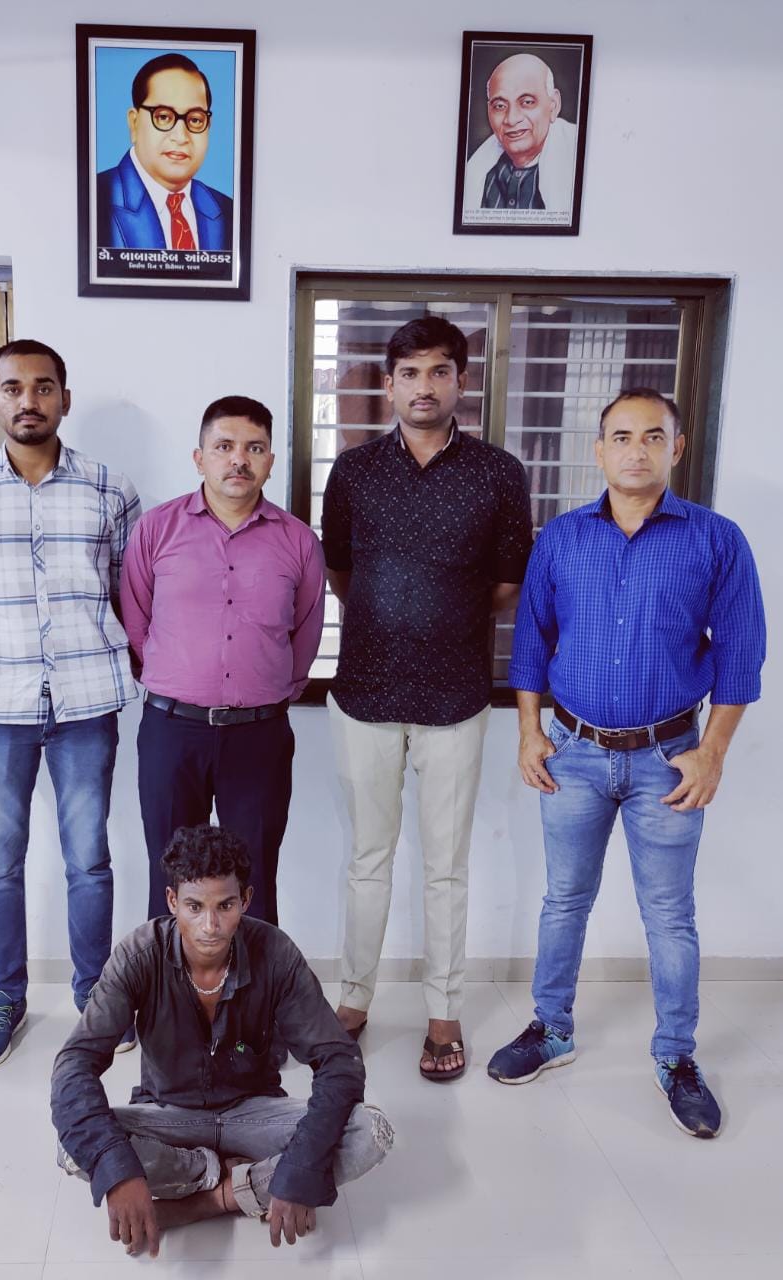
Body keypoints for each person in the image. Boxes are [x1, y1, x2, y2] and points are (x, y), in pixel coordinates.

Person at [488, 388, 766, 1139]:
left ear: (676, 448)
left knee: (669, 915)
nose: (635, 450)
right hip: (572, 753)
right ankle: (551, 1029)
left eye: (652, 436)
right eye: (620, 436)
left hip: (670, 760)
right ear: (598, 449)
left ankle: (676, 1056)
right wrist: (528, 731)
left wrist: (711, 753)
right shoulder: (562, 538)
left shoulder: (716, 540)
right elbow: (530, 642)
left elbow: (741, 654)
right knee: (563, 901)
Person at [322, 315, 533, 1080]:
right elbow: (339, 571)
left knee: (445, 867)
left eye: (438, 371)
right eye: (408, 373)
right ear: (388, 384)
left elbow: (507, 582)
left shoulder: (498, 473)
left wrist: (442, 619)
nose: (423, 386)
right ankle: (353, 1001)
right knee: (367, 860)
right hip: (363, 691)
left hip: (455, 695)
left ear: (459, 382)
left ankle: (444, 1014)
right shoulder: (352, 471)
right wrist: (394, 616)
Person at [0, 340, 140, 1066]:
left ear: (64, 399)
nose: (30, 400)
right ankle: (6, 994)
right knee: (0, 864)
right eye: (14, 388)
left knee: (89, 860)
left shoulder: (111, 489)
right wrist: (14, 653)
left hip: (87, 701)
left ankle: (94, 995)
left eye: (44, 387)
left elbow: (125, 590)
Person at [51, 824, 393, 1257]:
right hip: (170, 1116)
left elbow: (339, 1062)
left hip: (254, 1115)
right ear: (172, 901)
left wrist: (301, 1166)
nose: (210, 926)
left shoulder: (275, 953)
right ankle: (218, 1174)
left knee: (372, 1131)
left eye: (225, 906)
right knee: (74, 1147)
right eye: (194, 906)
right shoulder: (139, 955)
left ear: (245, 900)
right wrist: (119, 1171)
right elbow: (74, 1065)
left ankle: (213, 1199)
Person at [121, 395, 325, 925]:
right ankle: (169, 978)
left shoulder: (298, 541)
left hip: (259, 734)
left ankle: (253, 979)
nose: (239, 459)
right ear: (199, 458)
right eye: (224, 446)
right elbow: (138, 623)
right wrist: (180, 676)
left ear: (270, 461)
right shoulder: (156, 530)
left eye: (254, 448)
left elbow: (305, 633)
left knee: (254, 876)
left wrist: (267, 688)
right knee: (171, 874)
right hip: (172, 732)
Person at [96, 52, 233, 252]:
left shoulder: (229, 211)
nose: (181, 136)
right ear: (134, 123)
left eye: (195, 120)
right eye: (163, 117)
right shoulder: (95, 199)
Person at [463, 52, 578, 214]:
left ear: (554, 105)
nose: (511, 119)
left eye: (527, 102)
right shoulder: (478, 171)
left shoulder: (577, 159)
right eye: (500, 106)